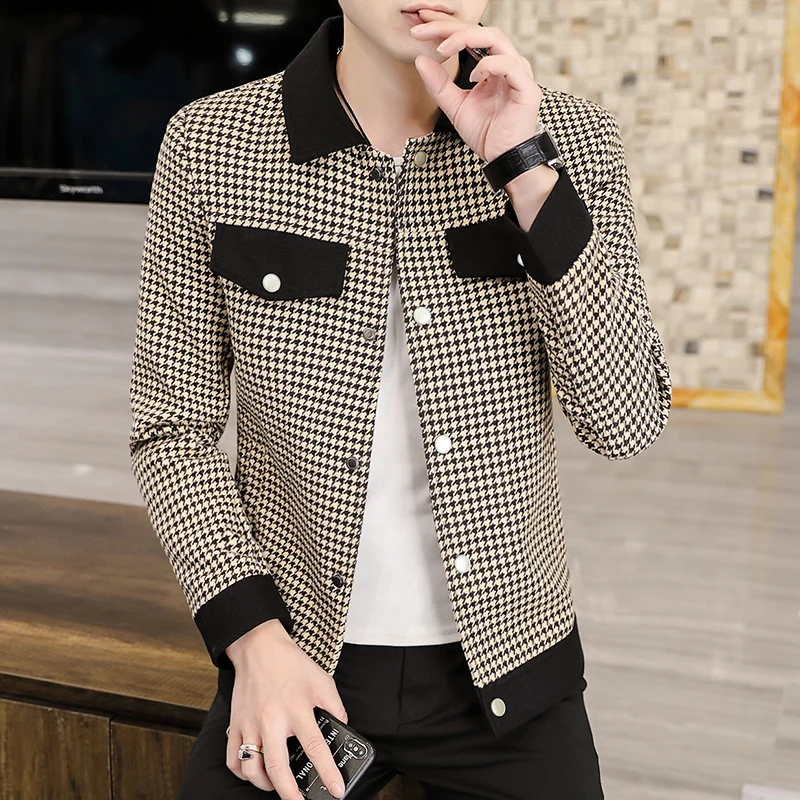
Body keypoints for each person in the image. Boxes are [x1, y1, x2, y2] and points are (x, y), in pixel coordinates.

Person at [128, 2, 672, 798]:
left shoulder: (573, 142)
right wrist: (255, 642)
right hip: (294, 653)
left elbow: (624, 422)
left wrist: (525, 171)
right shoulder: (211, 143)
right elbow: (171, 430)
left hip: (512, 668)